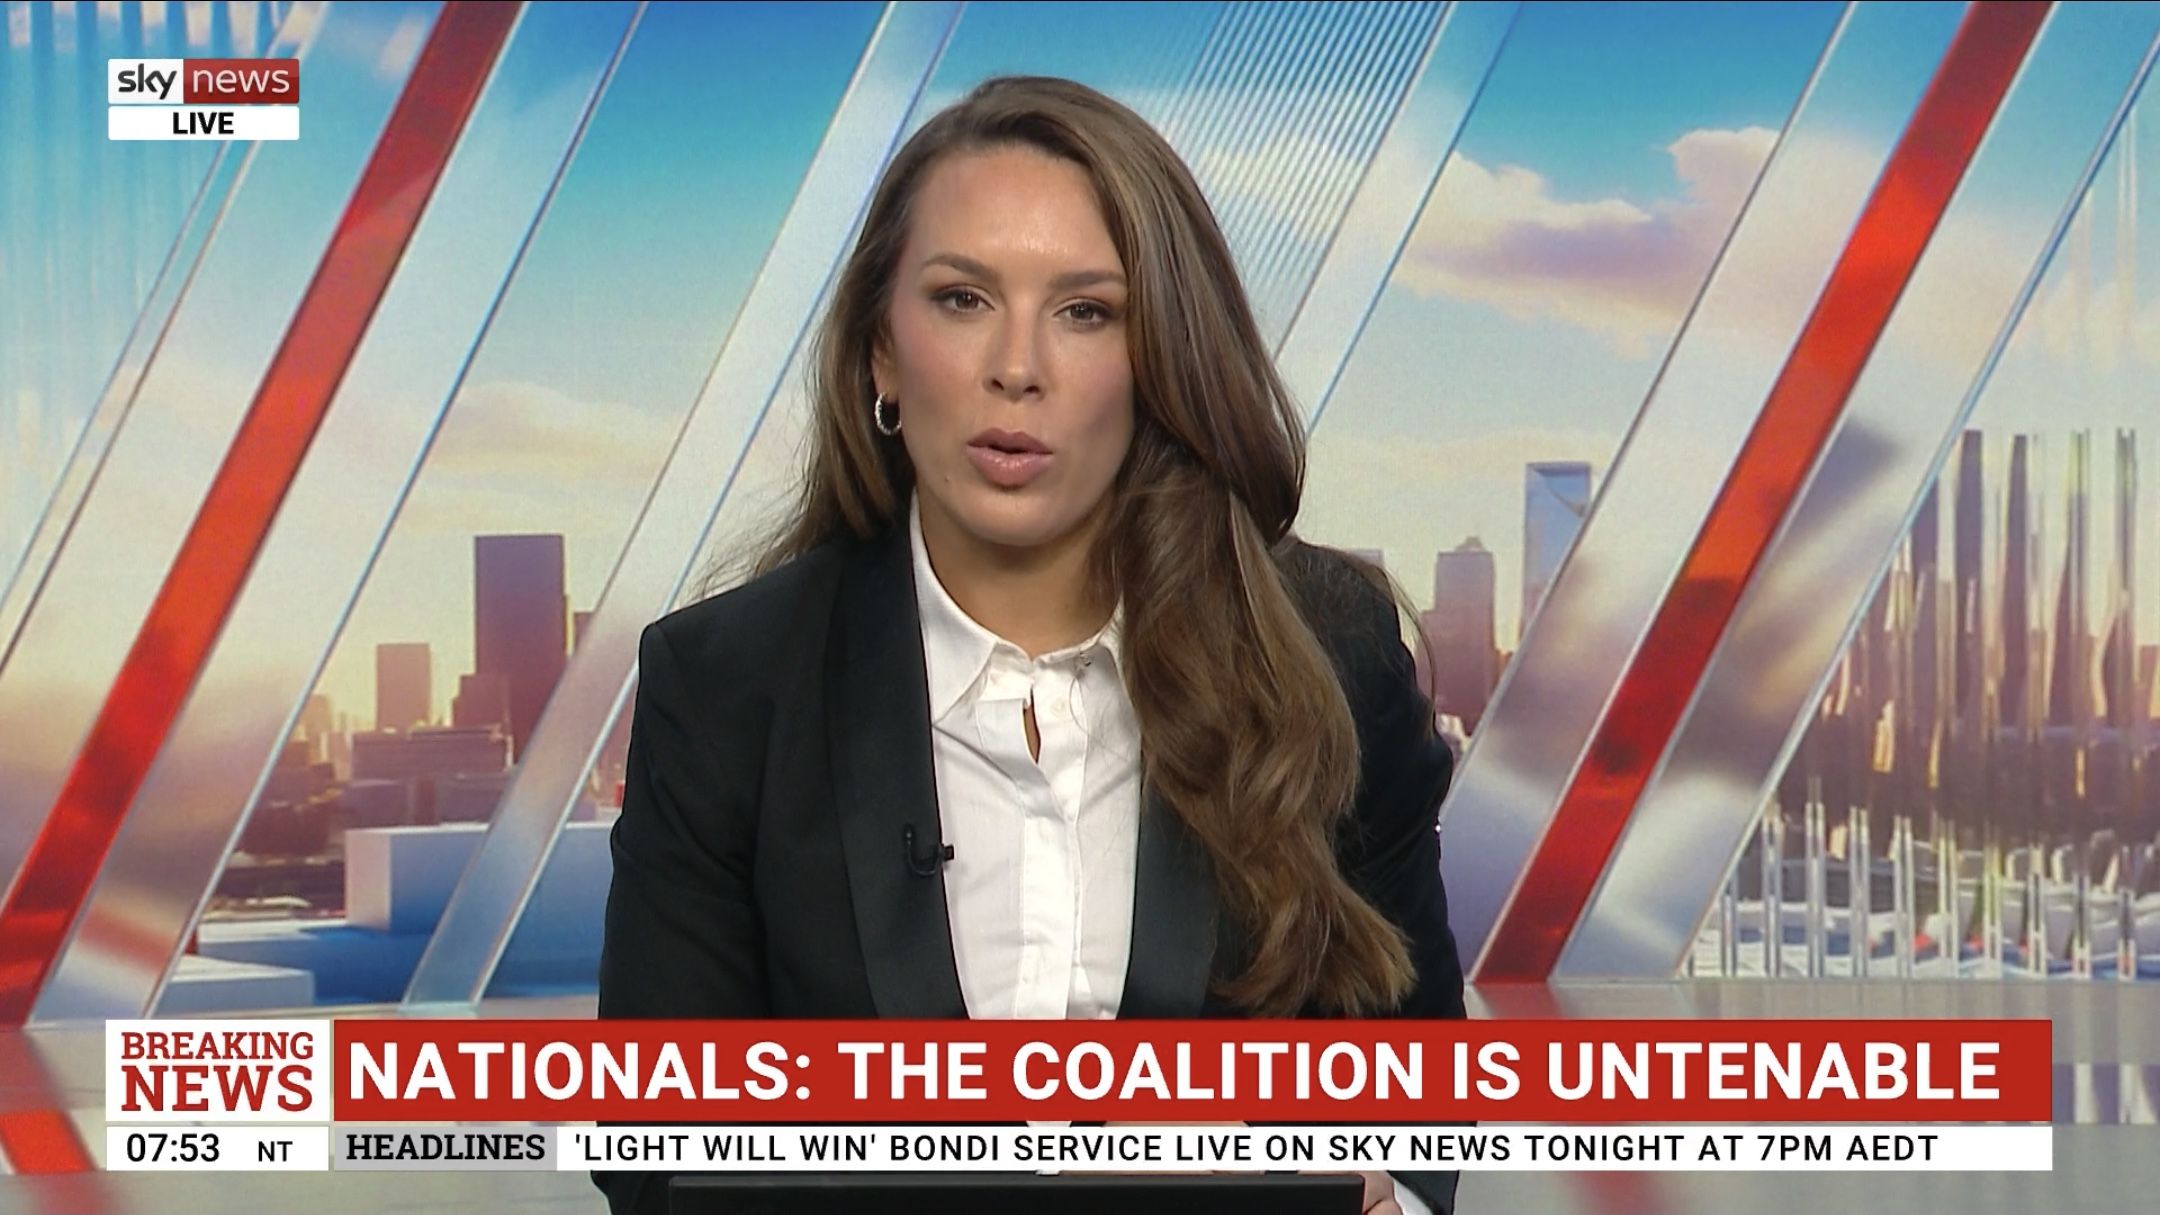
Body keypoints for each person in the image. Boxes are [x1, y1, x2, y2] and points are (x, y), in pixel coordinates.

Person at [596, 75, 1466, 1215]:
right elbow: (666, 1158)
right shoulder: (725, 686)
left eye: (1085, 311)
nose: (1019, 366)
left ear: (1159, 359)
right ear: (882, 353)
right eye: (962, 300)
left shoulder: (1327, 656)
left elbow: (1411, 1113)